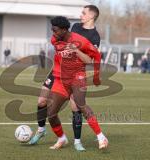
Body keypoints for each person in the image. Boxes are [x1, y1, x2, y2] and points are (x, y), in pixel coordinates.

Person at [29, 5, 101, 151]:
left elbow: (91, 57)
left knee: (76, 106)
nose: (81, 15)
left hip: (75, 74)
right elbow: (61, 40)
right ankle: (41, 130)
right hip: (57, 71)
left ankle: (77, 141)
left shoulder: (94, 36)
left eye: (84, 13)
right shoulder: (74, 26)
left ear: (91, 16)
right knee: (42, 100)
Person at [47, 16, 108, 150]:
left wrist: (96, 76)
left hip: (77, 77)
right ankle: (62, 138)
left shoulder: (80, 40)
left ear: (64, 30)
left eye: (55, 30)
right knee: (51, 113)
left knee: (80, 104)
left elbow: (94, 57)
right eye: (52, 30)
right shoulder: (54, 40)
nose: (53, 33)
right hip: (61, 79)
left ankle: (101, 137)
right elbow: (59, 56)